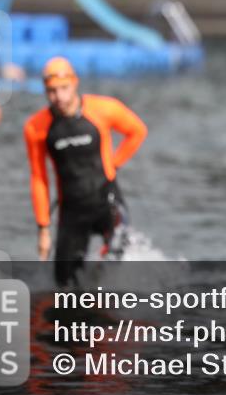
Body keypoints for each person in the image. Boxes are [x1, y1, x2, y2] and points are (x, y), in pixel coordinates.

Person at [23, 57, 147, 287]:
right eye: (51, 91)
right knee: (63, 285)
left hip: (107, 202)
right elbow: (38, 177)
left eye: (63, 89)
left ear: (75, 83)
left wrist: (114, 163)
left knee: (112, 271)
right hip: (72, 212)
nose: (58, 97)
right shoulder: (36, 127)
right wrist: (43, 228)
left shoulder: (103, 108)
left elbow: (137, 131)